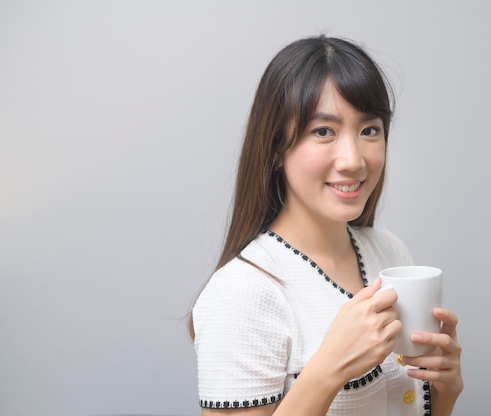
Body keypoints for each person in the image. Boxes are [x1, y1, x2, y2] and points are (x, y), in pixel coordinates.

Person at [189, 35, 463, 416]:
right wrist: (329, 368)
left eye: (370, 130)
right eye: (323, 131)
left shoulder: (389, 253)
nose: (353, 160)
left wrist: (445, 389)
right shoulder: (244, 290)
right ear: (275, 148)